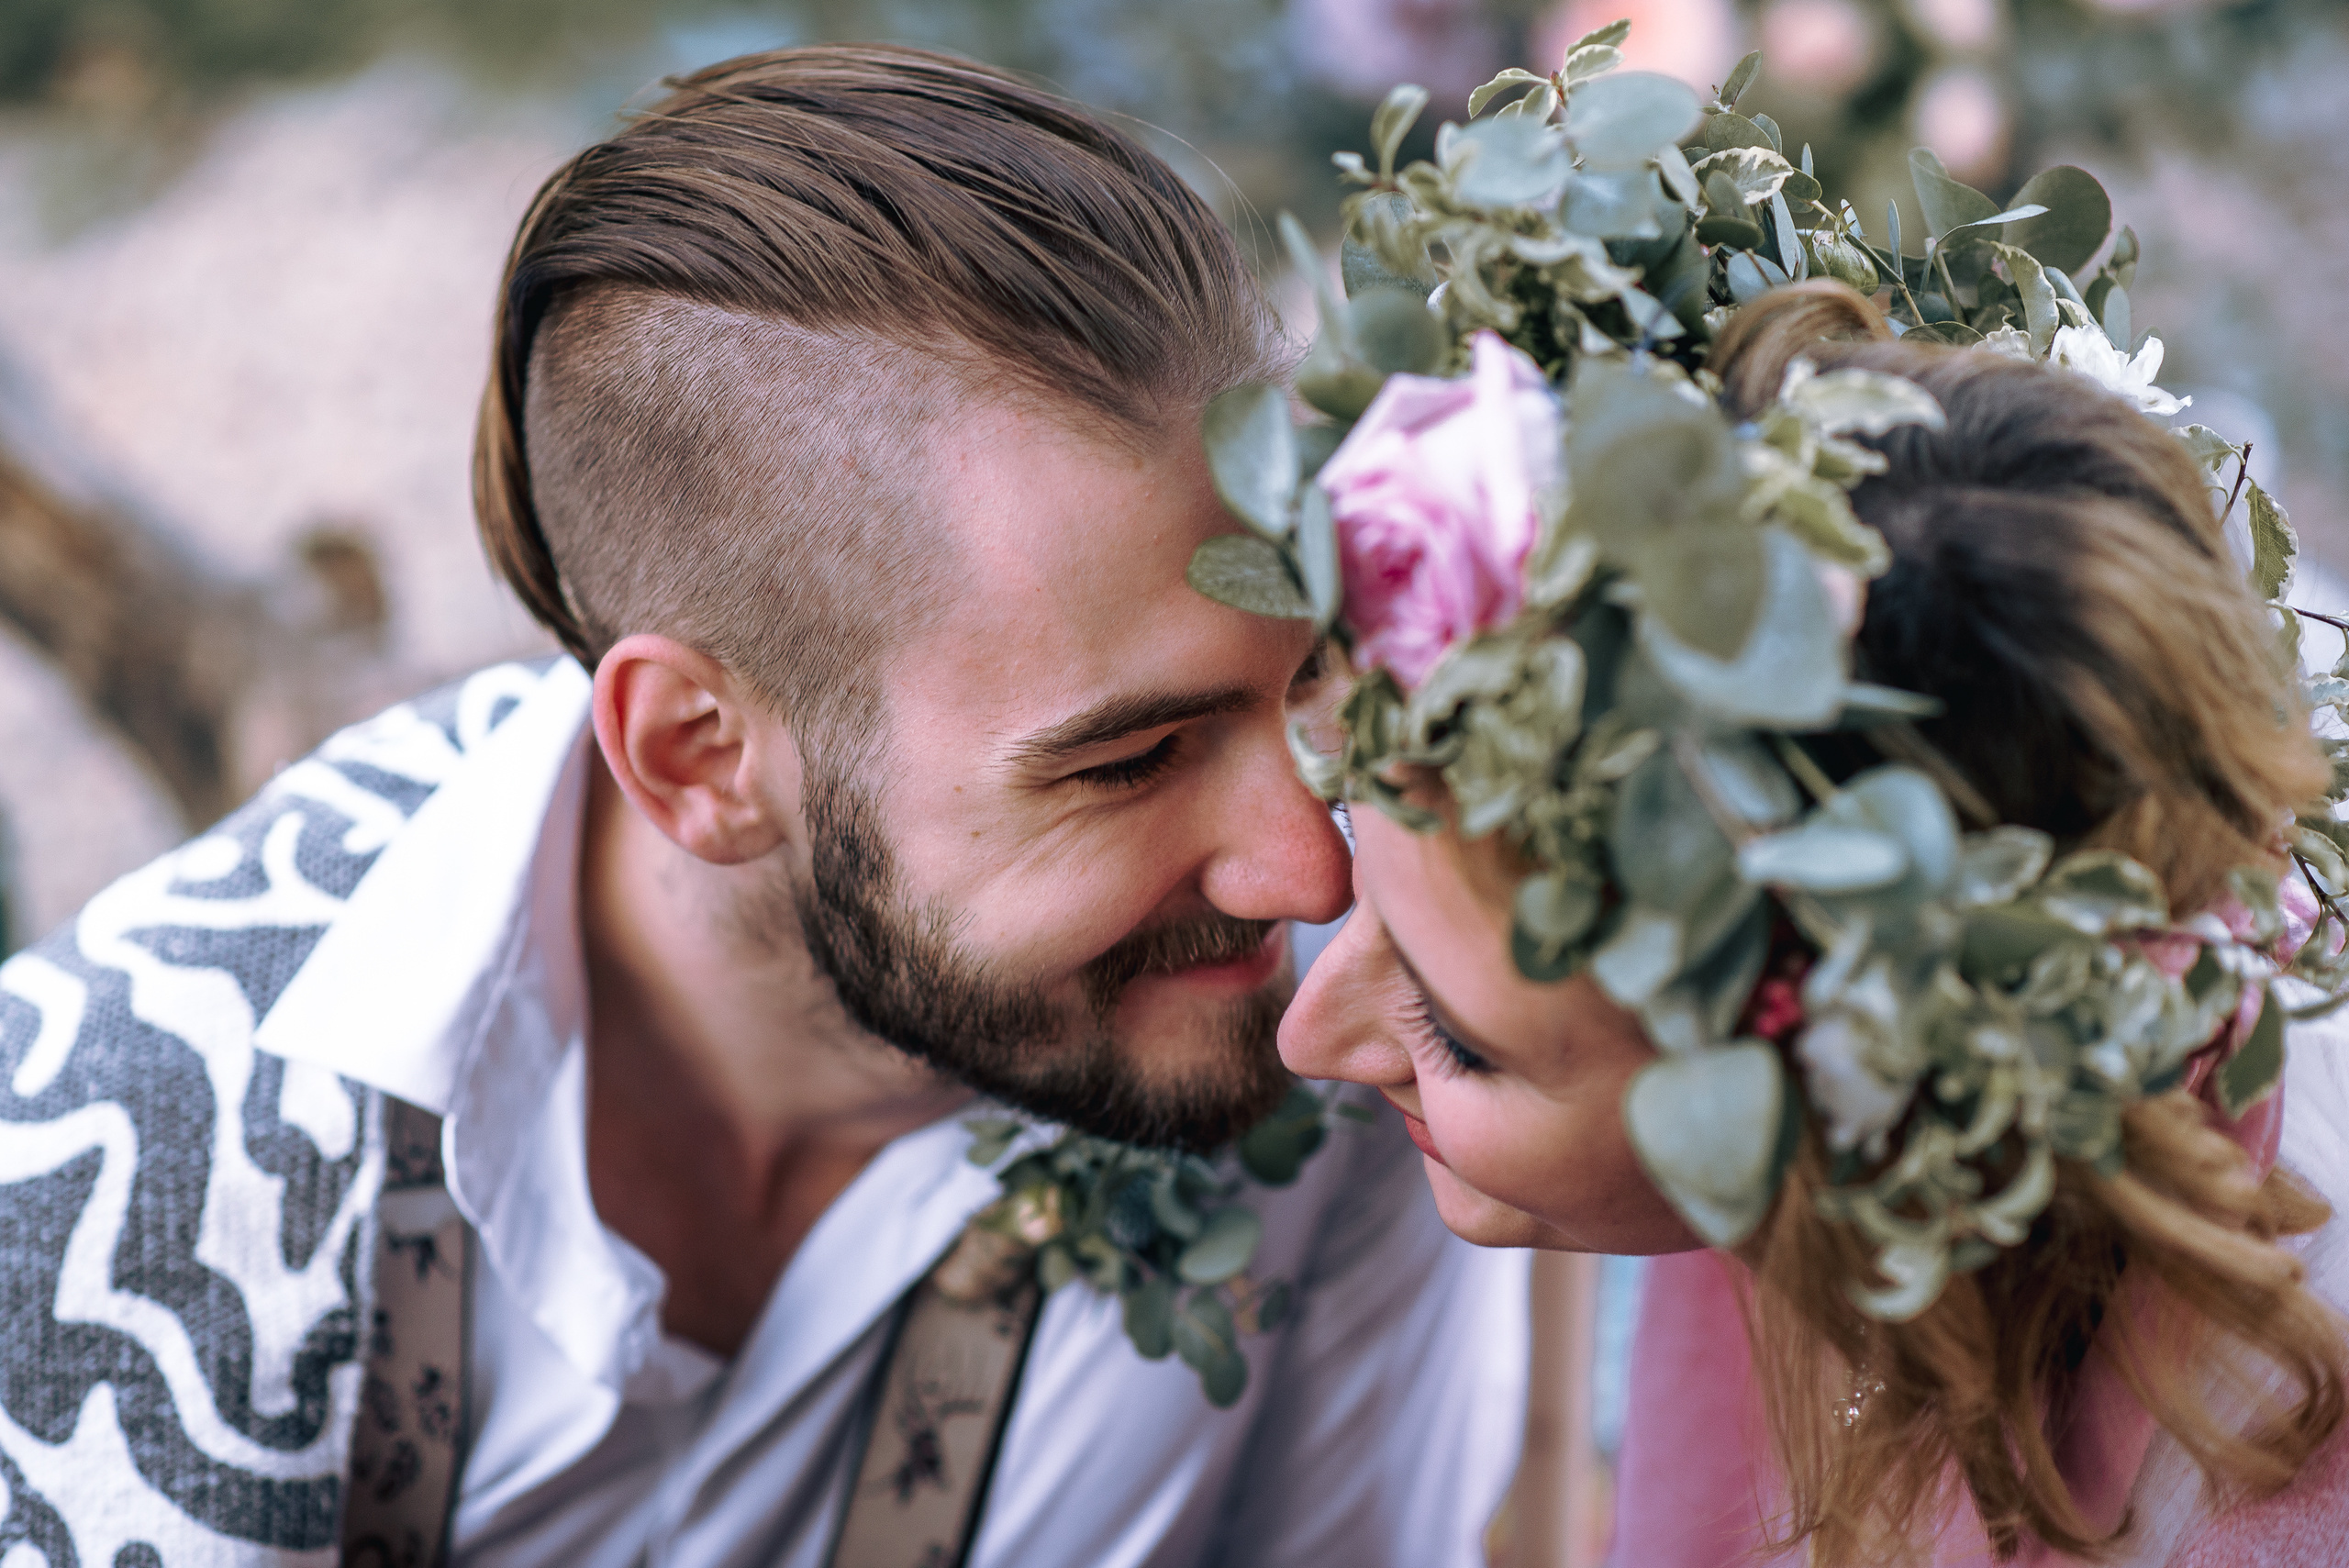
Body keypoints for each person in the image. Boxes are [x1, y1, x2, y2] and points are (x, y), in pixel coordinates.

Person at [0, 45, 1529, 1568]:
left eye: (1311, 682)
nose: (1311, 870)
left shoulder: (1329, 1037)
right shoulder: (81, 1187)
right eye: (1128, 761)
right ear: (698, 757)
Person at [1272, 282, 2349, 1563]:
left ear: (1858, 1104)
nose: (1303, 1032)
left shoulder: (2276, 1476)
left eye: (1460, 1039)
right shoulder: (1762, 870)